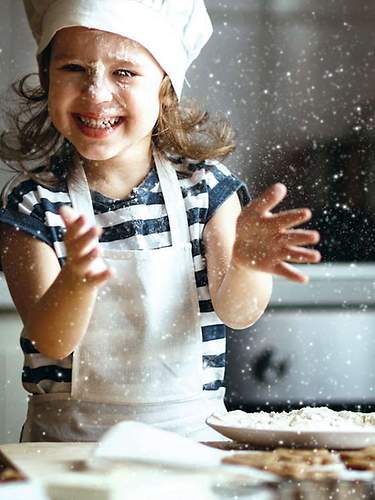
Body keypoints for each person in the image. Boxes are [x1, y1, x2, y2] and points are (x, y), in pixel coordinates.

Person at [0, 0, 320, 443]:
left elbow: (238, 314)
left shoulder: (207, 190)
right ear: (46, 77)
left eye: (124, 73)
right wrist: (76, 280)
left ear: (164, 88)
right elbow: (53, 343)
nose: (96, 93)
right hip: (67, 452)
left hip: (192, 447)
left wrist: (246, 264)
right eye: (73, 68)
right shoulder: (34, 205)